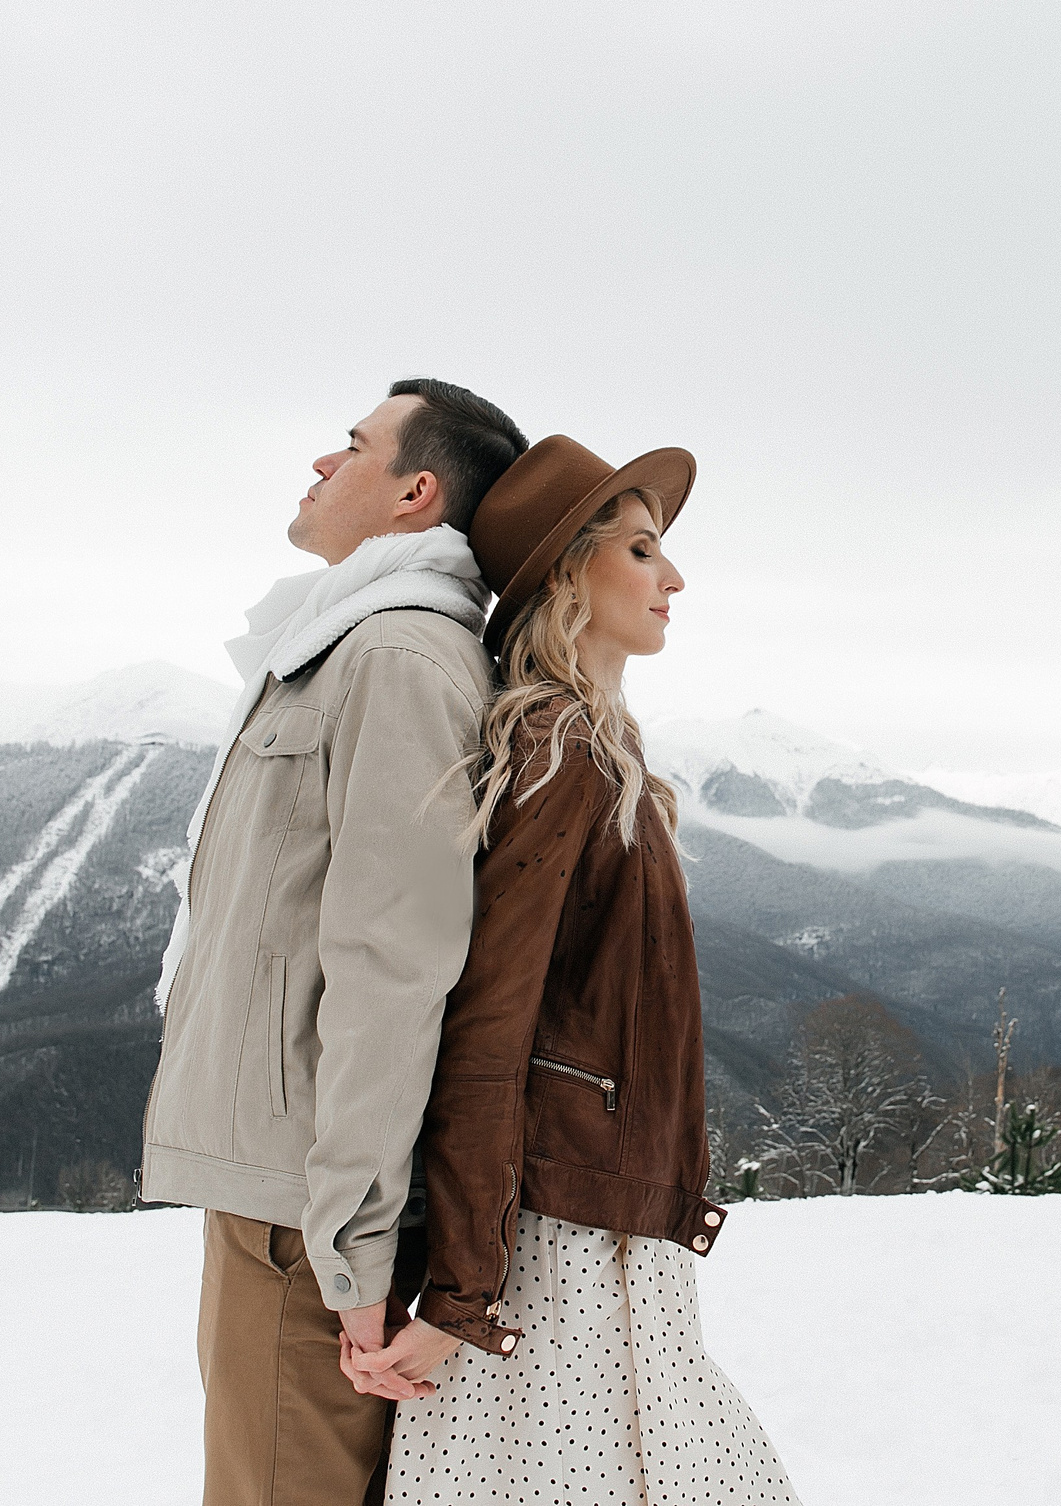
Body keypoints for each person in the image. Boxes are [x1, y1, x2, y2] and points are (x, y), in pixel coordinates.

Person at [344, 435, 802, 1506]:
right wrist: (461, 1297)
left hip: (596, 1223)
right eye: (641, 550)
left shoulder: (598, 748)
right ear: (568, 576)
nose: (673, 577)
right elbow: (488, 1032)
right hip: (555, 1243)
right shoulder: (559, 755)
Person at [140, 379, 528, 1506]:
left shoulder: (395, 659)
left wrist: (350, 1243)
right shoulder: (342, 646)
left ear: (416, 492)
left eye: (349, 446)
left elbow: (392, 963)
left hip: (302, 1213)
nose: (319, 464)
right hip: (290, 1195)